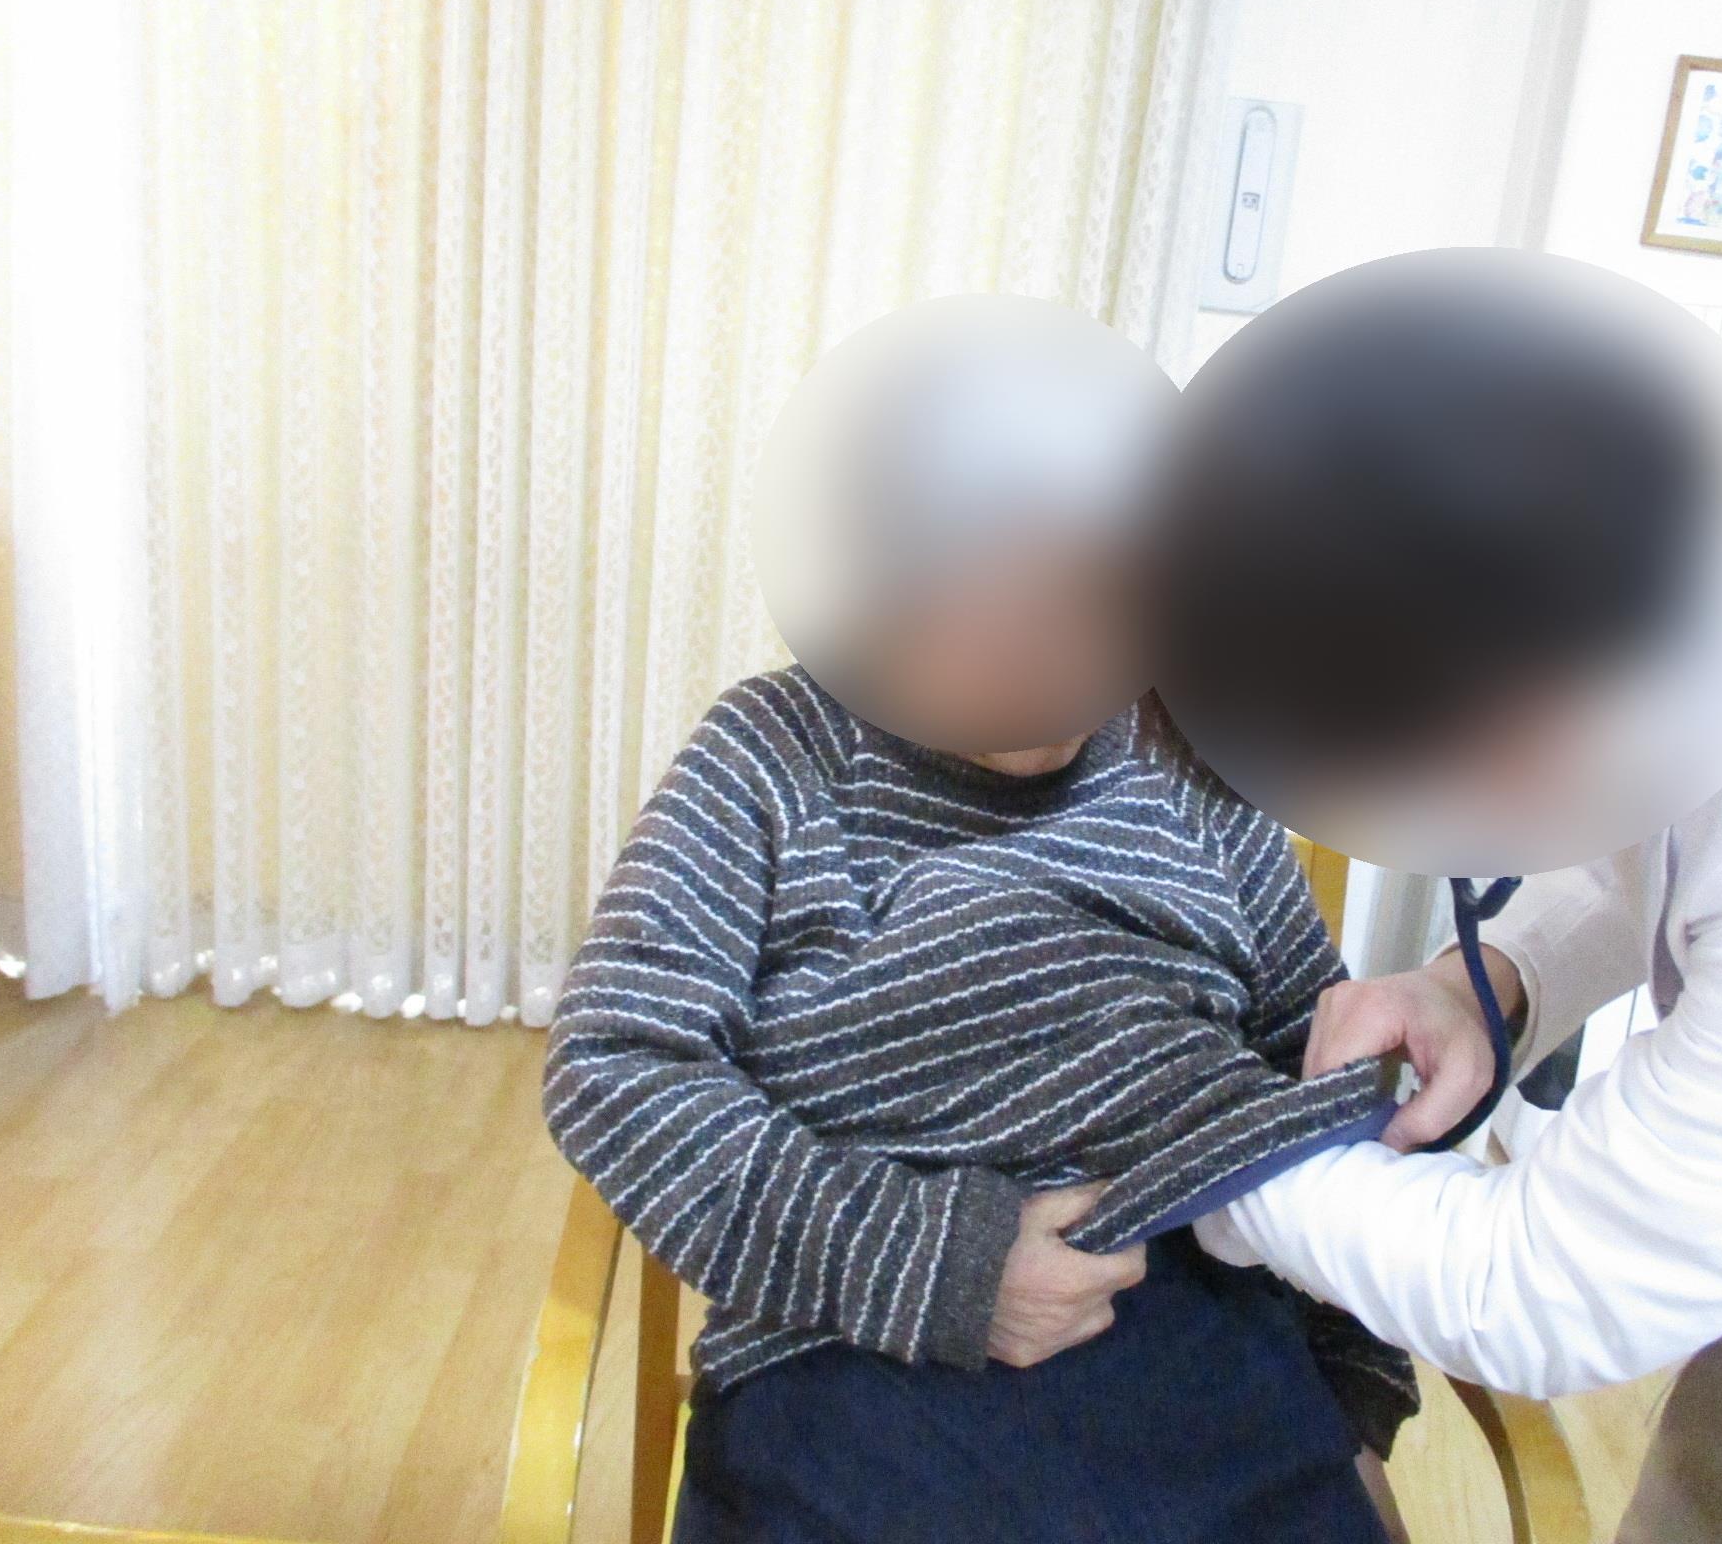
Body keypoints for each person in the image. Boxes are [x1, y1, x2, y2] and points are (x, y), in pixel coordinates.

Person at [543, 298, 1416, 1544]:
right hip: (856, 1336)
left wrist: (1354, 1389)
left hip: (1204, 1325)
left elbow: (1321, 1071)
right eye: (991, 587)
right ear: (893, 575)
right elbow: (616, 1060)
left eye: (1086, 591)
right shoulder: (775, 751)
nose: (1039, 641)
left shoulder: (1189, 763)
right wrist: (939, 1266)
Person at [1160, 250, 1722, 1544]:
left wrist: (1208, 1165)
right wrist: (1489, 978)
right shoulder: (1676, 456)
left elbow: (1548, 1292)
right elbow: (1661, 799)